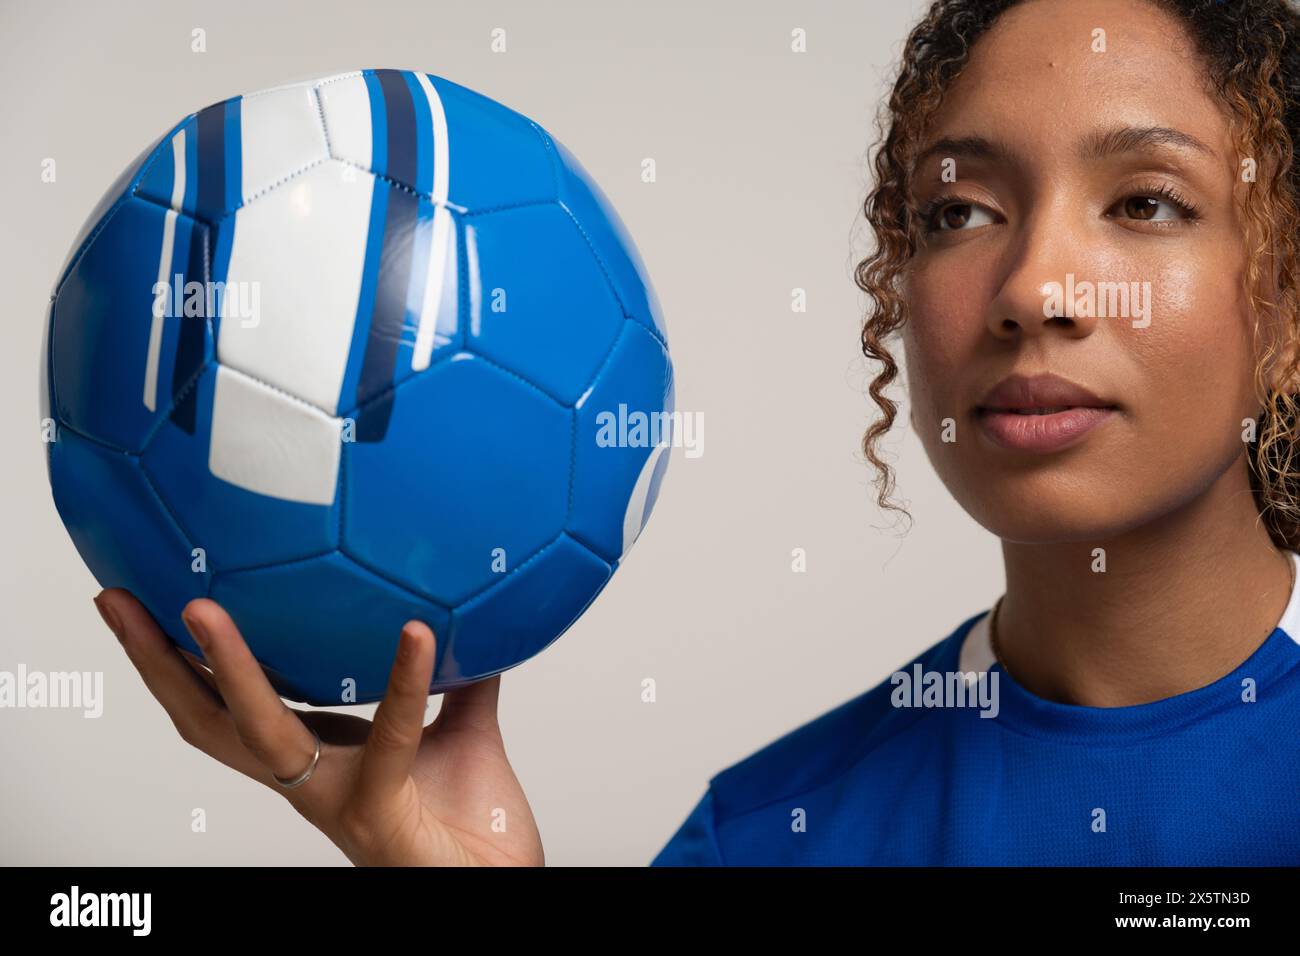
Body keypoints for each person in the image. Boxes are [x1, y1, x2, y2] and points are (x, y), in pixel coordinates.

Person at [92, 0, 1300, 865]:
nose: (1035, 285)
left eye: (1145, 201)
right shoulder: (770, 828)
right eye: (959, 209)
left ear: (1287, 292)